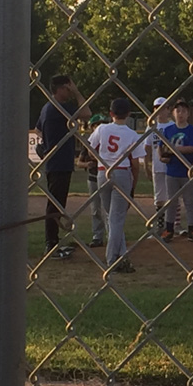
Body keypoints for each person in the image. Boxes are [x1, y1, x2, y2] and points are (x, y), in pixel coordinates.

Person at [36, 74, 90, 259]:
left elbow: (38, 130)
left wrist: (49, 141)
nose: (69, 91)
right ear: (60, 89)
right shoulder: (59, 107)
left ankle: (53, 242)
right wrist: (77, 92)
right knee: (55, 206)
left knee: (56, 204)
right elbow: (86, 113)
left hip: (56, 161)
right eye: (67, 88)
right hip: (59, 162)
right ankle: (50, 245)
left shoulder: (47, 107)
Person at [88, 97, 140, 274]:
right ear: (129, 114)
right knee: (116, 218)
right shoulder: (132, 134)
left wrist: (101, 157)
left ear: (111, 113)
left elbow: (90, 149)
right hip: (122, 172)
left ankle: (122, 255)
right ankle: (112, 260)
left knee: (112, 216)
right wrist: (133, 185)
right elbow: (135, 164)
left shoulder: (102, 128)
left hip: (102, 171)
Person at [160, 98, 193, 243]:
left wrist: (174, 149)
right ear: (173, 113)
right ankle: (169, 229)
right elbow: (162, 147)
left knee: (189, 202)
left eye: (183, 111)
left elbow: (192, 148)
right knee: (171, 202)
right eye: (178, 111)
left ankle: (192, 229)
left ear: (188, 114)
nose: (180, 114)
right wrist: (162, 156)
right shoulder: (168, 130)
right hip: (172, 171)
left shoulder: (191, 130)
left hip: (187, 171)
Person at [78, 113, 109, 247]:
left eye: (103, 124)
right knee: (95, 209)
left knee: (108, 208)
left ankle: (111, 235)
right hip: (93, 178)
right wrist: (87, 164)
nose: (101, 127)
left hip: (106, 177)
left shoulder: (108, 142)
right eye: (97, 125)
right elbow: (79, 162)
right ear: (92, 127)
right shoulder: (89, 143)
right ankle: (97, 236)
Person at [144, 97, 171, 236]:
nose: (159, 111)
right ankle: (161, 226)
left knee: (173, 197)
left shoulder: (172, 126)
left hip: (172, 167)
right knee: (159, 197)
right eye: (156, 108)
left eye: (162, 108)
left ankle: (174, 226)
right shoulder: (151, 126)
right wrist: (146, 166)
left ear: (168, 109)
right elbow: (147, 148)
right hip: (157, 166)